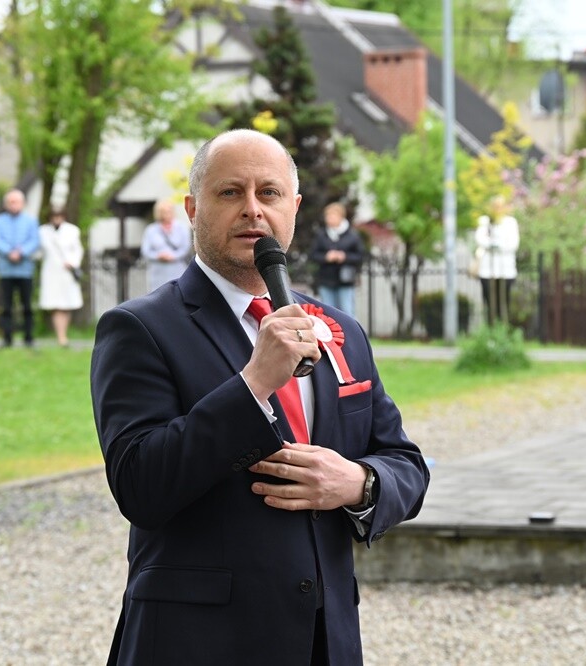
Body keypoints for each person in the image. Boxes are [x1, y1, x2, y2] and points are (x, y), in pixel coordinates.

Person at [90, 129, 429, 665]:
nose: (252, 209)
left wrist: (358, 483)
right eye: (230, 192)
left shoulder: (339, 329)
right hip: (198, 643)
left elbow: (405, 465)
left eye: (269, 193)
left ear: (294, 208)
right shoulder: (140, 328)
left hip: (324, 639)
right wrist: (253, 385)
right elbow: (140, 485)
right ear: (192, 209)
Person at [0, 188, 40, 348]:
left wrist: (21, 252)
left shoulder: (31, 221)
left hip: (25, 270)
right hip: (6, 270)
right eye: (10, 202)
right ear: (6, 204)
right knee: (6, 306)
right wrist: (8, 252)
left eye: (16, 202)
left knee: (27, 306)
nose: (13, 205)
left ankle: (28, 338)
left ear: (22, 203)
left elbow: (35, 240)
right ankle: (7, 338)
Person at [38, 207, 84, 347]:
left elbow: (78, 250)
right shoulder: (42, 231)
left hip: (67, 272)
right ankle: (61, 336)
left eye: (59, 216)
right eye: (54, 216)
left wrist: (73, 263)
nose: (56, 218)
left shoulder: (73, 230)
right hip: (51, 272)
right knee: (56, 304)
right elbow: (39, 252)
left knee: (66, 304)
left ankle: (63, 335)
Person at [309, 202, 365, 316]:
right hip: (326, 280)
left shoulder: (352, 236)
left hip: (345, 281)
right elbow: (313, 255)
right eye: (327, 216)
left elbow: (360, 256)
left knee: (347, 312)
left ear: (341, 217)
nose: (329, 219)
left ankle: (349, 329)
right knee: (328, 313)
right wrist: (326, 257)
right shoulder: (321, 235)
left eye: (332, 216)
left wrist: (344, 257)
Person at [474, 195, 520, 325]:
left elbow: (513, 244)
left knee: (504, 302)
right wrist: (492, 244)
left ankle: (503, 328)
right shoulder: (485, 221)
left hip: (506, 270)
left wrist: (498, 245)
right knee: (489, 302)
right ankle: (491, 328)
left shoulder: (510, 222)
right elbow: (480, 239)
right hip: (487, 270)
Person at [141, 199, 192, 292]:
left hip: (178, 270)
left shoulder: (182, 227)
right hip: (158, 273)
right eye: (164, 211)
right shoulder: (151, 230)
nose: (167, 214)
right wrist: (158, 256)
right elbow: (146, 251)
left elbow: (185, 248)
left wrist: (172, 256)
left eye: (169, 211)